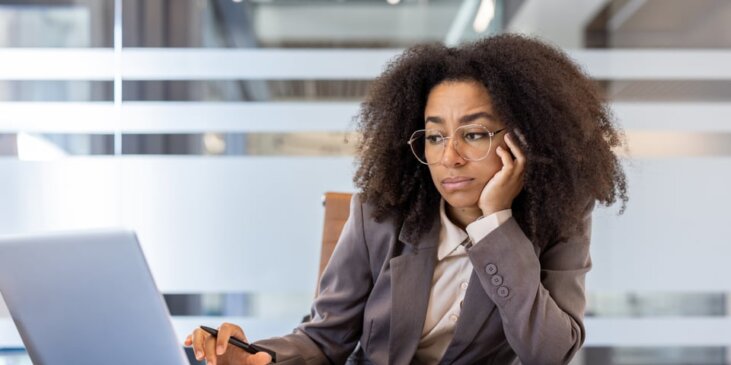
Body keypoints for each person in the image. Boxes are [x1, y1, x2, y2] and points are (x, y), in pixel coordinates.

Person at [185, 34, 628, 365]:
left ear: (524, 140)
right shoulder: (377, 216)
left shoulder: (560, 221)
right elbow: (324, 339)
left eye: (473, 134)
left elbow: (549, 352)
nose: (449, 157)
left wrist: (495, 224)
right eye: (435, 136)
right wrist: (258, 357)